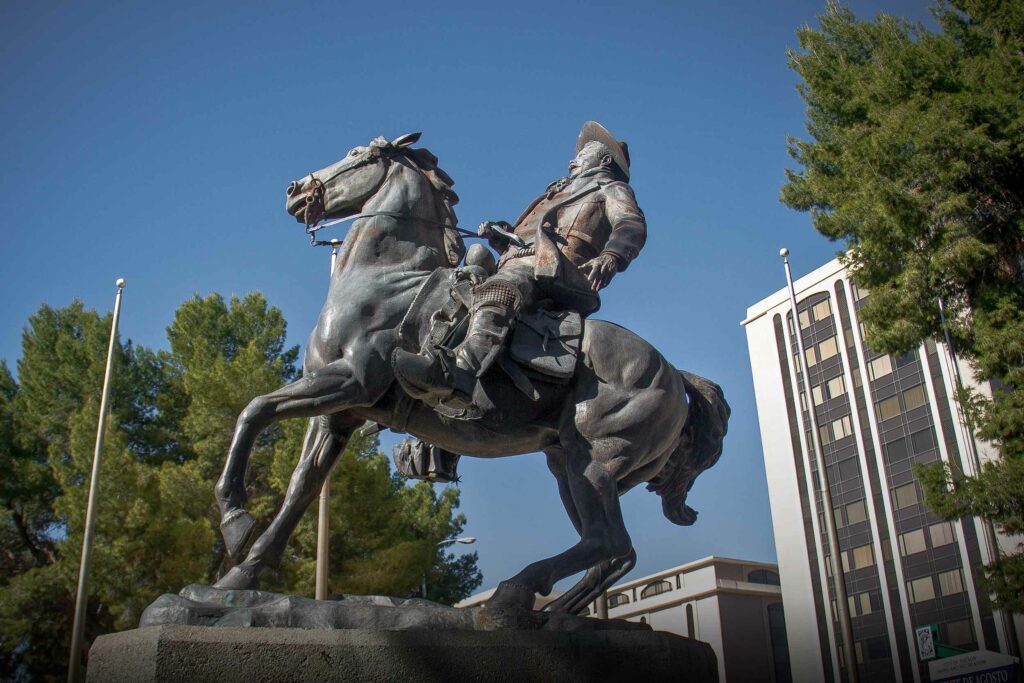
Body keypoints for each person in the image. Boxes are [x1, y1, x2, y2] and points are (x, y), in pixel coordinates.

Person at [394, 121, 647, 408]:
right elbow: (528, 237)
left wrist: (611, 256)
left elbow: (631, 224)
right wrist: (502, 237)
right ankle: (431, 351)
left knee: (503, 284)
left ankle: (461, 372)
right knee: (468, 265)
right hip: (516, 262)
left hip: (556, 272)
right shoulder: (554, 193)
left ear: (603, 161)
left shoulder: (610, 189)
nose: (573, 159)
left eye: (584, 153)